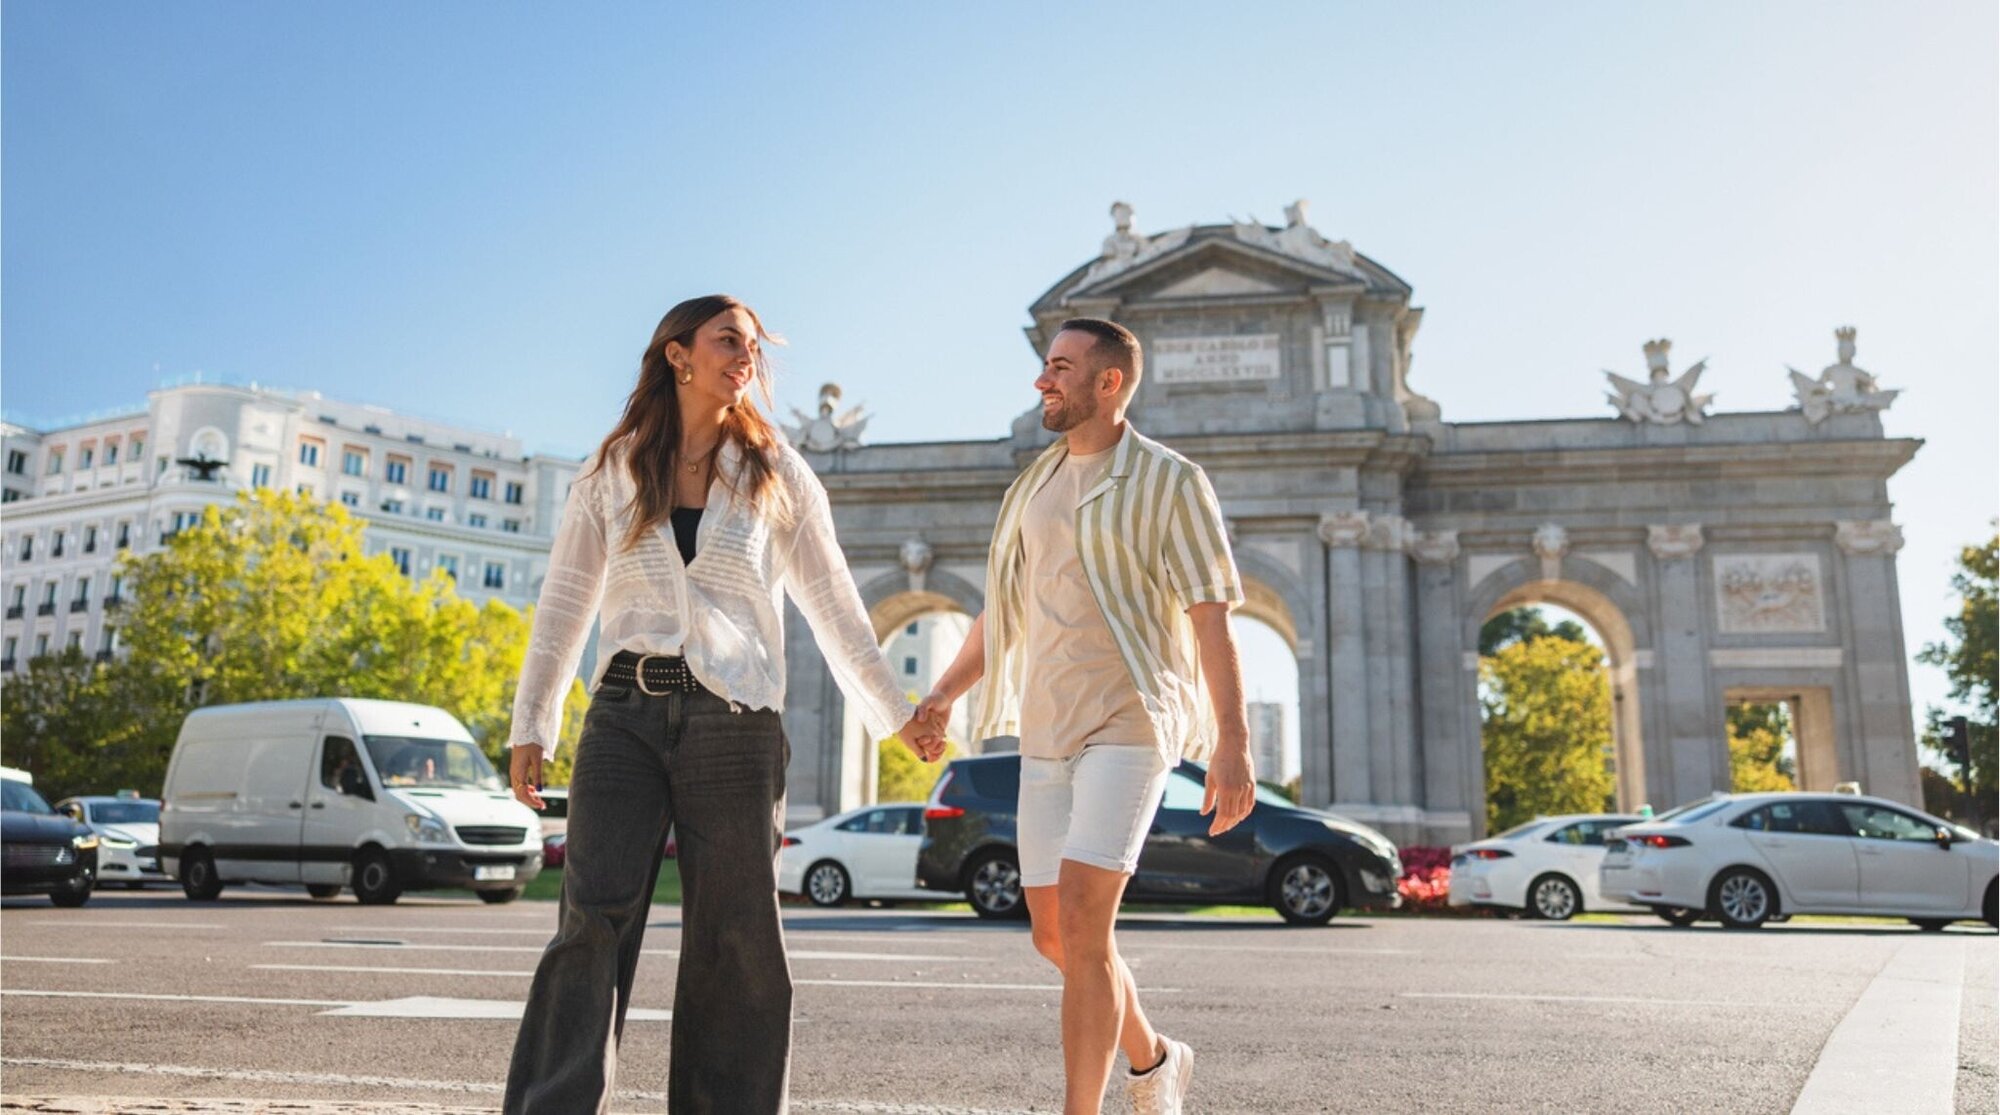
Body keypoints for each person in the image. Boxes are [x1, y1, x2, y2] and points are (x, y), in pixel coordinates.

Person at [501, 294, 943, 1114]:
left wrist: (896, 712)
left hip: (736, 726)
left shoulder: (777, 472)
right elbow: (565, 600)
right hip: (624, 720)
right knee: (590, 918)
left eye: (754, 347)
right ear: (678, 354)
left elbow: (837, 606)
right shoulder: (614, 468)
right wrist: (534, 721)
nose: (748, 357)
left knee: (735, 935)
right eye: (729, 341)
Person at [918, 317, 1255, 1115]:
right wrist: (942, 692)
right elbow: (1006, 613)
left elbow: (1213, 617)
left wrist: (1233, 740)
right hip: (1049, 728)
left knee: (1083, 914)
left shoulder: (1172, 480)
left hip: (1133, 722)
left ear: (1109, 382)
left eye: (1061, 368)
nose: (1044, 381)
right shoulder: (1032, 487)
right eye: (1045, 366)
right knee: (1054, 936)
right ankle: (1156, 1057)